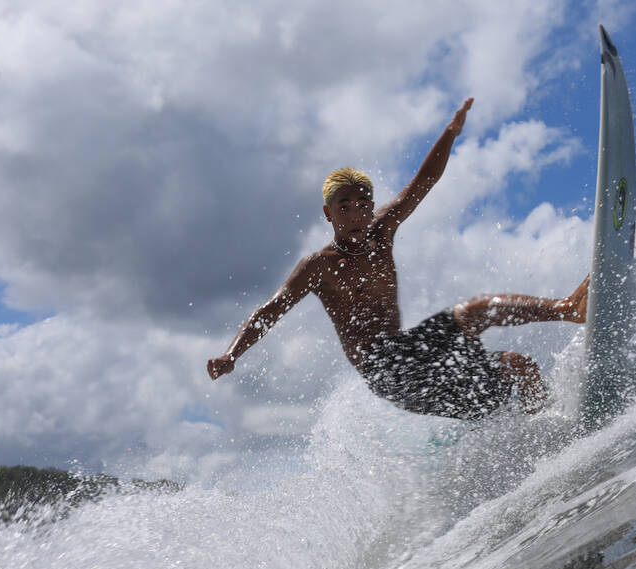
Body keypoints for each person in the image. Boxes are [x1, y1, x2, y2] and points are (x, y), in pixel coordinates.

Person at [208, 98, 588, 420]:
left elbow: (422, 183)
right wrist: (232, 354)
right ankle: (545, 413)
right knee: (500, 351)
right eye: (345, 207)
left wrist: (450, 133)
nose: (356, 215)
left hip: (413, 348)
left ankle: (563, 330)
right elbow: (270, 311)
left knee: (500, 342)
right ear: (328, 214)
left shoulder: (381, 232)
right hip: (388, 373)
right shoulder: (319, 267)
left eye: (363, 205)